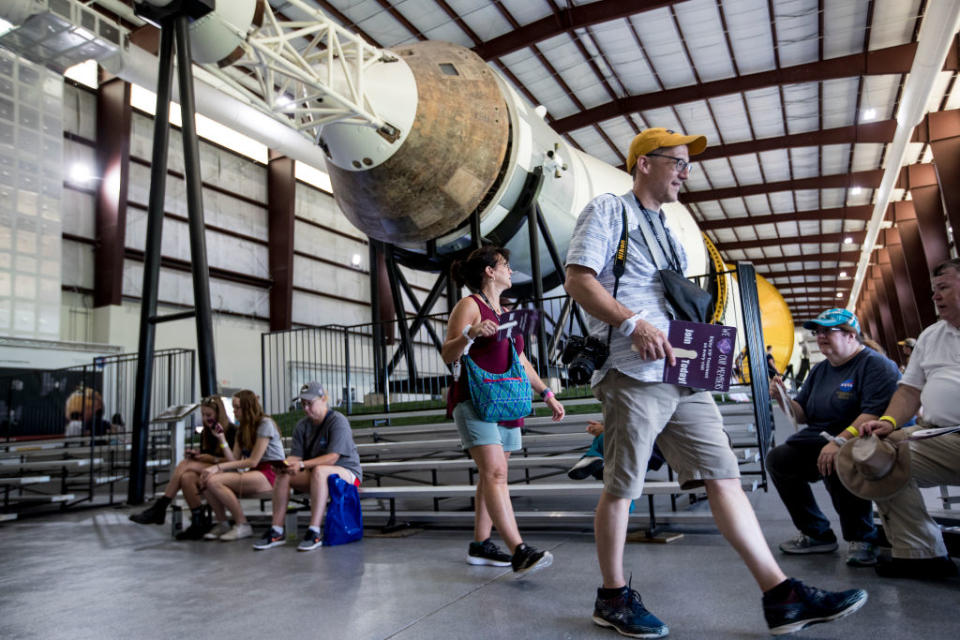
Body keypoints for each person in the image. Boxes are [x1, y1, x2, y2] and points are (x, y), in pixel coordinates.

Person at [564, 127, 867, 637]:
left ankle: (780, 594)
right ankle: (612, 597)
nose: (686, 172)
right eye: (677, 162)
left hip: (684, 373)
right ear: (644, 163)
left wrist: (709, 350)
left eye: (687, 164)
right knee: (622, 484)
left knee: (723, 475)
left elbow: (676, 302)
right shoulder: (608, 210)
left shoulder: (668, 231)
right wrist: (631, 323)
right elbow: (578, 279)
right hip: (635, 371)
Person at [441, 244, 565, 576]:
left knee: (493, 475)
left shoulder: (507, 313)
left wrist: (547, 393)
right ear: (489, 271)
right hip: (474, 399)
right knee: (495, 473)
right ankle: (518, 550)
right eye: (504, 265)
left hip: (507, 400)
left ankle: (481, 544)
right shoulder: (469, 305)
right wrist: (470, 333)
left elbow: (522, 362)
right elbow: (447, 354)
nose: (510, 270)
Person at [765, 308, 902, 567]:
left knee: (840, 458)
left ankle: (863, 537)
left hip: (865, 439)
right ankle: (817, 533)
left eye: (828, 331)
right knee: (779, 459)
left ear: (851, 335)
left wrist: (838, 441)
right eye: (818, 332)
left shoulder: (876, 366)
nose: (820, 336)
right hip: (822, 438)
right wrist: (782, 399)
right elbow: (803, 415)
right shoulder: (820, 371)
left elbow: (872, 412)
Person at [852, 258, 960, 579]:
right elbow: (909, 392)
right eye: (932, 291)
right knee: (876, 457)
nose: (935, 297)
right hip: (938, 435)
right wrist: (888, 423)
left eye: (943, 288)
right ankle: (922, 552)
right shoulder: (930, 336)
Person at [253, 381, 362, 552]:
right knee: (284, 474)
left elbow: (333, 458)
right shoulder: (302, 426)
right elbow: (296, 457)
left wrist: (302, 464)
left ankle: (314, 531)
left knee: (319, 471)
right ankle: (277, 530)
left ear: (324, 399)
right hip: (318, 475)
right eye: (303, 404)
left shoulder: (337, 420)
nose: (305, 408)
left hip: (350, 476)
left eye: (310, 403)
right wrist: (284, 465)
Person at [129, 396, 237, 539]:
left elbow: (233, 461)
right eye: (203, 415)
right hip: (208, 470)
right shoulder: (206, 432)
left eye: (209, 415)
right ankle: (197, 522)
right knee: (186, 477)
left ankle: (160, 507)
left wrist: (210, 458)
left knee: (184, 465)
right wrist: (198, 455)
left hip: (225, 470)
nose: (205, 419)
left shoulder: (232, 431)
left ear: (219, 414)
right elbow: (206, 456)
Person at [201, 390, 285, 541]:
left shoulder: (265, 424)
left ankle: (242, 525)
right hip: (255, 472)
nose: (234, 411)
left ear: (247, 407)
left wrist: (218, 467)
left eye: (237, 407)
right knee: (206, 481)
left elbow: (253, 461)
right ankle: (223, 523)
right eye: (233, 407)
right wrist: (221, 439)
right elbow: (233, 459)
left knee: (214, 480)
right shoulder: (242, 428)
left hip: (270, 472)